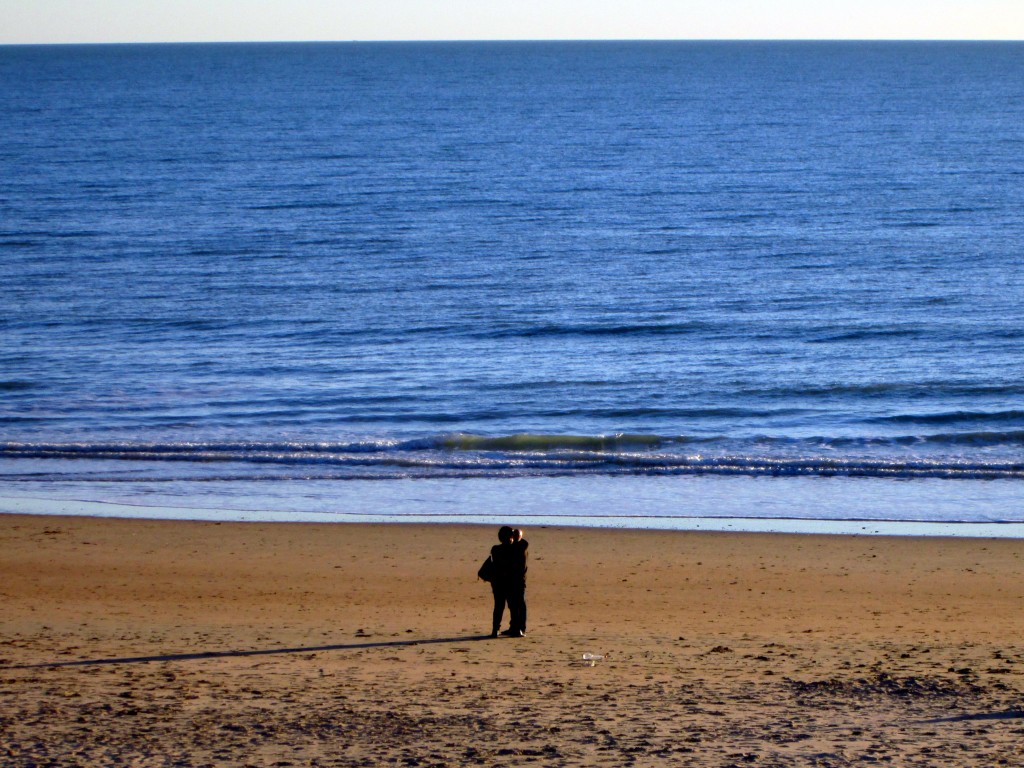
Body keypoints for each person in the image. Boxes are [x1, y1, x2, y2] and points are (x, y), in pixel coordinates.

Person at [487, 525, 529, 638]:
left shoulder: (495, 549)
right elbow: (523, 542)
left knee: (499, 606)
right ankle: (517, 629)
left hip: (498, 583)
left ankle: (495, 630)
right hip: (511, 583)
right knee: (515, 606)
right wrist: (516, 535)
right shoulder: (516, 548)